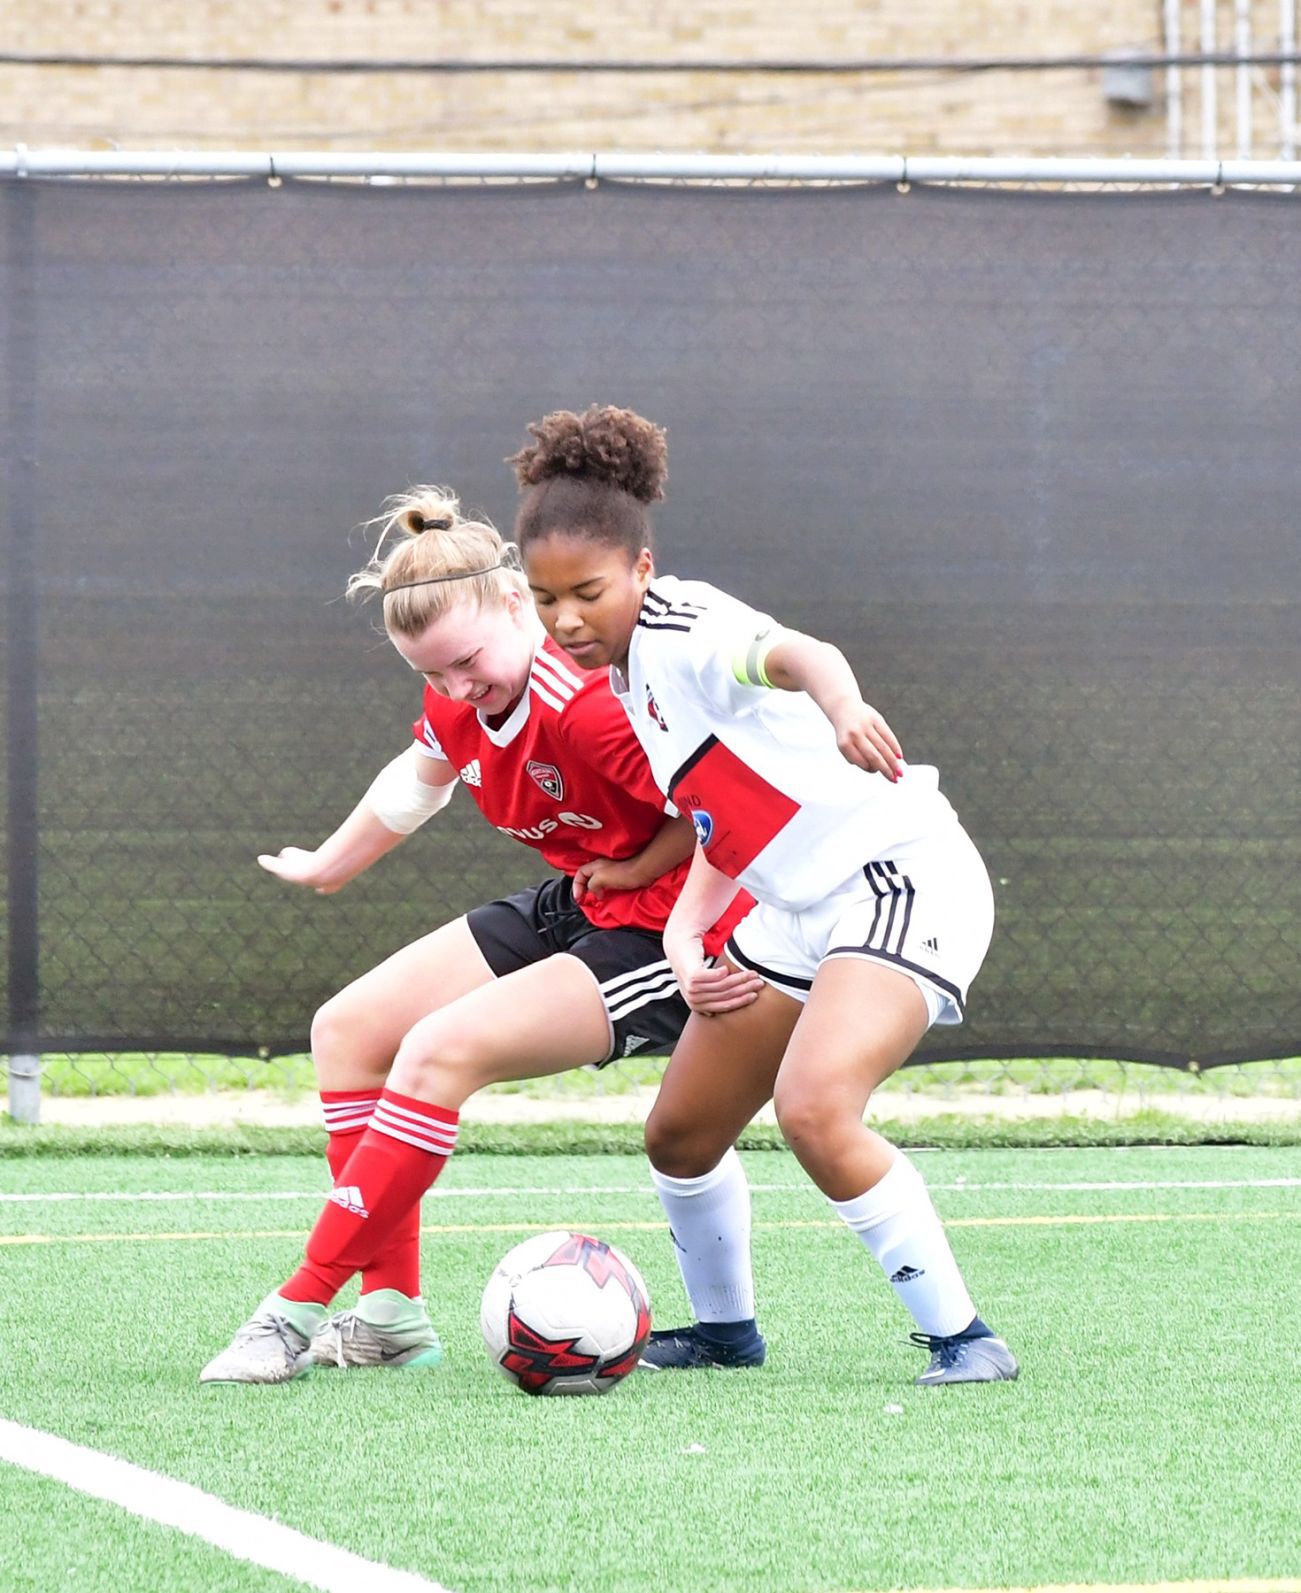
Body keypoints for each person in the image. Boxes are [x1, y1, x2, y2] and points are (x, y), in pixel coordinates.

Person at [200, 488, 759, 1385]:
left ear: (514, 602)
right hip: (586, 900)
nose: (456, 688)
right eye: (431, 675)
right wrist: (330, 864)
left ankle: (292, 1309)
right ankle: (389, 1317)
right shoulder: (462, 696)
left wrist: (679, 920)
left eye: (465, 661)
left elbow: (729, 814)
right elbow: (421, 772)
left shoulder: (587, 706)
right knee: (348, 1029)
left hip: (676, 931)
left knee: (435, 1051)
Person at [513, 405, 1018, 1386]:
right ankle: (723, 1335)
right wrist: (685, 930)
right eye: (542, 598)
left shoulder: (682, 627)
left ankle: (964, 1340)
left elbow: (798, 654)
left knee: (817, 1109)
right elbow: (727, 811)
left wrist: (842, 706)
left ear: (642, 569)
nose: (565, 618)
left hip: (897, 877)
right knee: (680, 1131)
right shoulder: (619, 674)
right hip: (796, 905)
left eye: (587, 591)